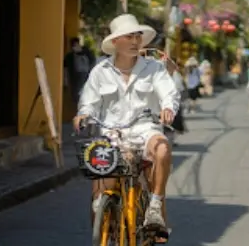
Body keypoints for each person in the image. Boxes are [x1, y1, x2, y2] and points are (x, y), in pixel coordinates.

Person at [73, 14, 179, 240]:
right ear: (115, 42)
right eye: (129, 36)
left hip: (145, 130)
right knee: (99, 193)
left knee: (162, 148)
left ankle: (155, 206)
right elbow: (88, 102)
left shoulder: (154, 68)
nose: (134, 41)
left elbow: (168, 93)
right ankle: (103, 231)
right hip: (111, 136)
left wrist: (168, 108)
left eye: (137, 36)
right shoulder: (100, 71)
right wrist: (83, 114)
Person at [64, 37, 96, 108]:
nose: (74, 46)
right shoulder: (70, 56)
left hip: (85, 77)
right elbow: (65, 68)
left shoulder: (86, 52)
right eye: (73, 45)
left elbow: (93, 61)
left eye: (76, 44)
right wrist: (65, 81)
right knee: (76, 97)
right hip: (75, 79)